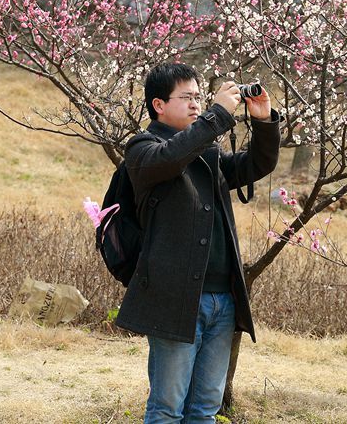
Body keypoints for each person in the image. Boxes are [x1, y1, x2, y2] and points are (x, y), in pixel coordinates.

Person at [115, 63, 280, 423]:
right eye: (186, 97)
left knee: (205, 409)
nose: (195, 105)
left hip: (223, 299)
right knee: (167, 408)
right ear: (158, 104)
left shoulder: (206, 154)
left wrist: (264, 122)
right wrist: (218, 114)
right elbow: (172, 157)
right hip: (176, 298)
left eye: (198, 97)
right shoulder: (143, 150)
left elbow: (257, 165)